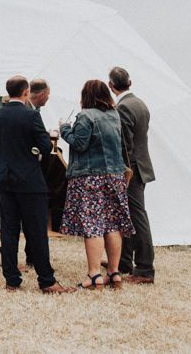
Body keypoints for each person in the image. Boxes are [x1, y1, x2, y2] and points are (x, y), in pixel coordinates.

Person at [0, 75, 75, 293]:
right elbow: (45, 147)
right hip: (30, 182)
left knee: (9, 229)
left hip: (6, 180)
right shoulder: (31, 116)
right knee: (36, 231)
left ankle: (11, 280)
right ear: (26, 92)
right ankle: (46, 280)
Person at [59, 80, 135, 289]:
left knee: (92, 225)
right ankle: (114, 272)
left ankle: (94, 275)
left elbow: (80, 144)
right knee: (112, 225)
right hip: (115, 176)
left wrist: (64, 129)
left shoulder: (86, 116)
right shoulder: (114, 116)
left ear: (86, 96)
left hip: (90, 177)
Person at [109, 66, 156, 284]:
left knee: (137, 217)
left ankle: (145, 268)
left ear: (111, 86)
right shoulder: (140, 104)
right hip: (143, 165)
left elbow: (125, 145)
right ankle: (125, 262)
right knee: (127, 215)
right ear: (130, 82)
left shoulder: (123, 108)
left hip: (132, 169)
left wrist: (124, 171)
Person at [23, 78, 51, 267]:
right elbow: (44, 145)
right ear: (41, 94)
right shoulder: (29, 112)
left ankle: (30, 256)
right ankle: (34, 257)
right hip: (28, 171)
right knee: (33, 217)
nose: (48, 98)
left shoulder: (33, 111)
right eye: (48, 95)